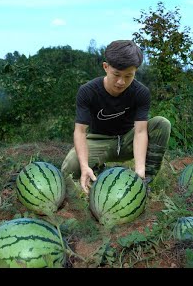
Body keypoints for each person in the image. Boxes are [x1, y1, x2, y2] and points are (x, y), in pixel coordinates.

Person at [61, 40, 171, 194]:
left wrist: (140, 169)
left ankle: (145, 181)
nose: (121, 82)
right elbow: (80, 132)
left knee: (162, 123)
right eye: (117, 74)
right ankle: (96, 170)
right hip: (99, 140)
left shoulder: (141, 93)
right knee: (70, 169)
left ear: (135, 72)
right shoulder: (88, 91)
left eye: (128, 76)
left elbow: (140, 132)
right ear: (106, 67)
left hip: (127, 141)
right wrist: (84, 165)